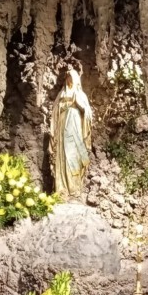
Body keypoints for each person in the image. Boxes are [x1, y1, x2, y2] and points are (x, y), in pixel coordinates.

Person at [50, 63, 93, 199]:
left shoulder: (81, 95)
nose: (69, 81)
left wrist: (79, 105)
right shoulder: (61, 94)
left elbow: (88, 114)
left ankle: (74, 188)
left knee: (74, 155)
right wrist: (63, 106)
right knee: (63, 154)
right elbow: (55, 111)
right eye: (67, 78)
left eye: (71, 78)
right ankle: (62, 188)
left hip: (75, 127)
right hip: (63, 127)